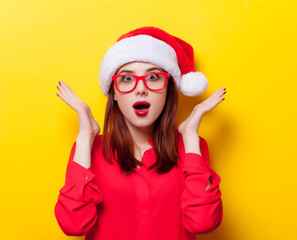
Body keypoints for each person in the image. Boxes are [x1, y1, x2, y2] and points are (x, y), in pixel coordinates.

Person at [54, 26, 226, 240]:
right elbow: (73, 225)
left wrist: (190, 136)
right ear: (114, 92)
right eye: (126, 79)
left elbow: (203, 222)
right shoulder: (91, 150)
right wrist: (85, 137)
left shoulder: (191, 147)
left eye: (153, 77)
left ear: (168, 89)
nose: (140, 89)